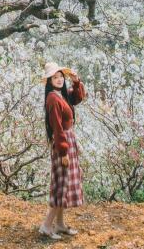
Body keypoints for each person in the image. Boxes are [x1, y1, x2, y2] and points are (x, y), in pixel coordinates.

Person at [39, 61, 86, 241]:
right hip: (62, 143)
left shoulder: (61, 94)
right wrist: (64, 152)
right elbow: (57, 127)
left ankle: (59, 224)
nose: (59, 80)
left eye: (60, 77)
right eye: (55, 77)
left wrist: (76, 81)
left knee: (64, 185)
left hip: (67, 140)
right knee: (61, 186)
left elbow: (78, 98)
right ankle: (46, 225)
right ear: (49, 81)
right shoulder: (52, 98)